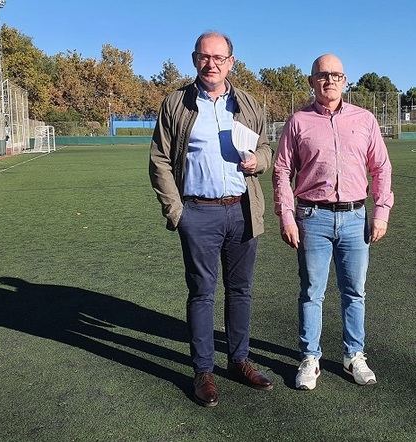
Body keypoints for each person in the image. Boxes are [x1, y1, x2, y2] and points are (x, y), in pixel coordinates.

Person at [149, 31, 273, 407]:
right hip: (198, 212)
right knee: (202, 293)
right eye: (205, 57)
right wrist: (177, 211)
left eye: (219, 58)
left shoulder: (249, 103)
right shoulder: (176, 103)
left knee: (241, 291)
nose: (211, 64)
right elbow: (159, 160)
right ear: (194, 59)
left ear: (231, 62)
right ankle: (203, 370)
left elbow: (267, 148)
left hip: (242, 210)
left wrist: (259, 161)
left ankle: (238, 360)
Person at [272, 54, 393, 390]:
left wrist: (381, 212)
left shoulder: (364, 119)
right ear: (312, 81)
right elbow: (282, 170)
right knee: (312, 292)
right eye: (322, 75)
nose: (329, 80)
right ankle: (310, 357)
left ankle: (354, 355)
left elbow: (381, 168)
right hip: (312, 217)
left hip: (356, 218)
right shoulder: (298, 121)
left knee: (355, 292)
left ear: (345, 81)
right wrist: (286, 215)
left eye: (336, 75)